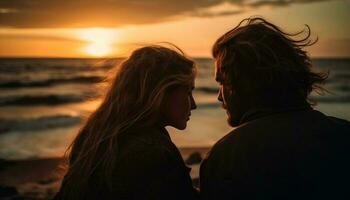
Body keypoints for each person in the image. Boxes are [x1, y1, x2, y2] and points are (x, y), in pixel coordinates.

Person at [200, 17, 350, 200]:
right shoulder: (343, 135)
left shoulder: (224, 159)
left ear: (245, 83)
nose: (219, 96)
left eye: (222, 82)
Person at [54, 45, 198, 200]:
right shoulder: (151, 153)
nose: (193, 104)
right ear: (160, 91)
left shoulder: (95, 135)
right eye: (188, 92)